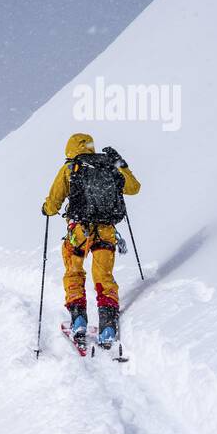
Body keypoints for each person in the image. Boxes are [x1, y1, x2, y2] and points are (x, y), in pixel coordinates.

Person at [41, 133, 141, 349]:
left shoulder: (70, 169)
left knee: (74, 272)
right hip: (106, 231)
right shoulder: (108, 166)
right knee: (103, 276)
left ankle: (79, 321)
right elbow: (134, 188)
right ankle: (108, 326)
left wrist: (46, 208)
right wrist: (121, 164)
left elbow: (53, 203)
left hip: (79, 232)